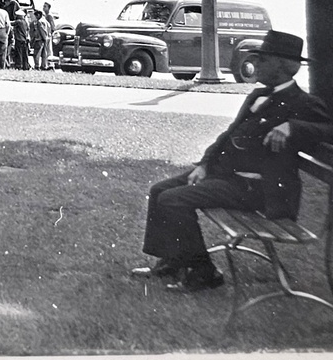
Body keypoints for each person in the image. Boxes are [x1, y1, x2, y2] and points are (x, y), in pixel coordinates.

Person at [130, 30, 333, 292]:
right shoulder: (257, 95)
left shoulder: (303, 103)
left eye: (263, 60)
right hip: (225, 176)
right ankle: (172, 260)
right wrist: (204, 165)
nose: (254, 64)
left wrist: (293, 126)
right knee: (159, 190)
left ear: (282, 66)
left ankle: (204, 273)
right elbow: (229, 134)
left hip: (258, 190)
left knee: (174, 199)